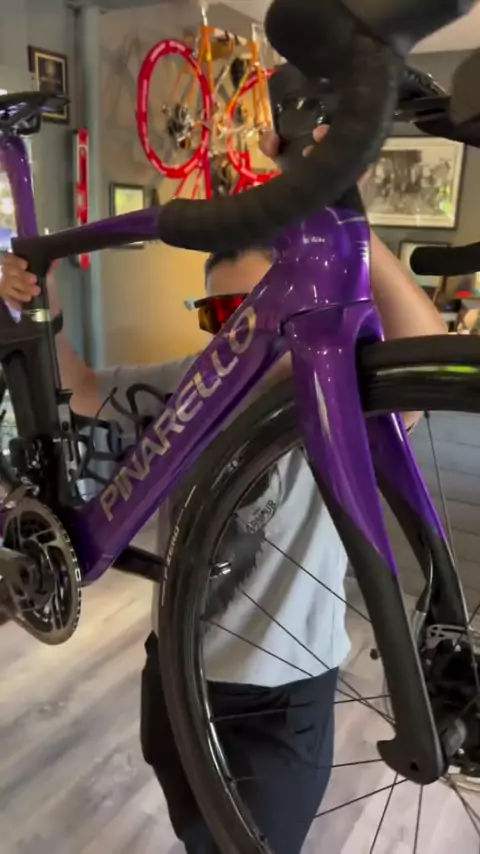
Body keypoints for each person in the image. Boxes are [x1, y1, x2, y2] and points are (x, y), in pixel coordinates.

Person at [0, 129, 446, 854]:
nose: (240, 336)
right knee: (196, 829)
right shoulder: (190, 381)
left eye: (261, 311)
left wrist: (343, 214)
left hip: (285, 695)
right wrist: (42, 306)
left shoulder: (340, 402)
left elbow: (418, 352)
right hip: (178, 669)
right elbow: (80, 389)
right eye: (219, 317)